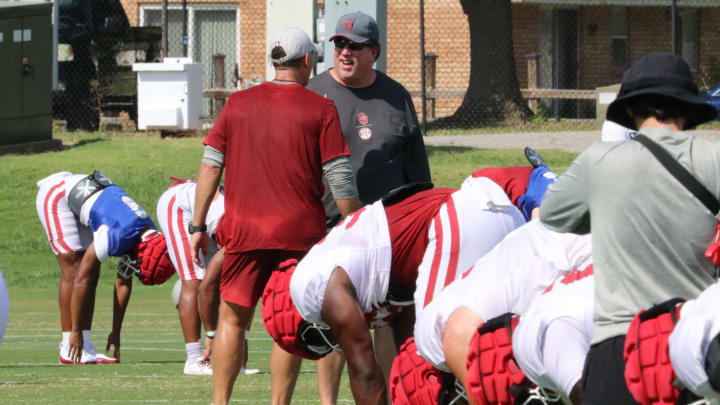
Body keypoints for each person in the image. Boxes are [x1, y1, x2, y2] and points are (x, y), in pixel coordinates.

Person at [189, 28, 359, 405]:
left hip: (244, 233)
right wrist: (353, 224)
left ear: (274, 61)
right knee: (290, 322)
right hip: (300, 236)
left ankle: (220, 403)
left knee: (232, 320)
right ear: (306, 61)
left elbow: (209, 167)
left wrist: (198, 225)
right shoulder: (321, 107)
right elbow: (339, 176)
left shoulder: (237, 103)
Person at [539, 52, 720, 404]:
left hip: (618, 352)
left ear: (631, 111)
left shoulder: (599, 161)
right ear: (689, 111)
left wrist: (608, 210)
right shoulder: (714, 154)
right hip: (692, 348)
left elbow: (553, 214)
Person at [262, 171, 527, 405]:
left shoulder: (313, 285)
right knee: (504, 350)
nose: (330, 344)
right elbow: (405, 343)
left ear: (303, 315)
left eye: (317, 342)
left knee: (432, 360)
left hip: (459, 222)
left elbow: (364, 372)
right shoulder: (362, 273)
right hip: (498, 213)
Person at [306, 11, 432, 403]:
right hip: (330, 228)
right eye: (339, 44)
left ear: (373, 51)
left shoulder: (396, 96)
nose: (345, 52)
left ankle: (391, 397)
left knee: (387, 321)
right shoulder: (313, 93)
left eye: (355, 46)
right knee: (336, 324)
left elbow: (418, 170)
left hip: (389, 233)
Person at [35, 170, 175, 364]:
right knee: (75, 270)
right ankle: (69, 347)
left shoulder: (148, 236)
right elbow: (81, 279)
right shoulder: (118, 235)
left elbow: (122, 282)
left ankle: (85, 347)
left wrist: (115, 331)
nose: (134, 269)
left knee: (92, 270)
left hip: (84, 198)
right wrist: (75, 332)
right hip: (57, 195)